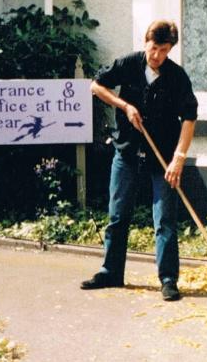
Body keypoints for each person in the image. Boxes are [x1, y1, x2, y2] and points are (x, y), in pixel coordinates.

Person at [80, 20, 197, 301]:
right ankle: (111, 272)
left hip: (164, 157)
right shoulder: (128, 64)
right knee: (118, 215)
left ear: (170, 50)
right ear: (146, 42)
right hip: (127, 152)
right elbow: (96, 86)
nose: (157, 55)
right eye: (154, 48)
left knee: (165, 220)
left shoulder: (177, 77)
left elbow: (190, 118)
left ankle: (168, 279)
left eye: (164, 50)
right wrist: (125, 105)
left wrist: (179, 158)